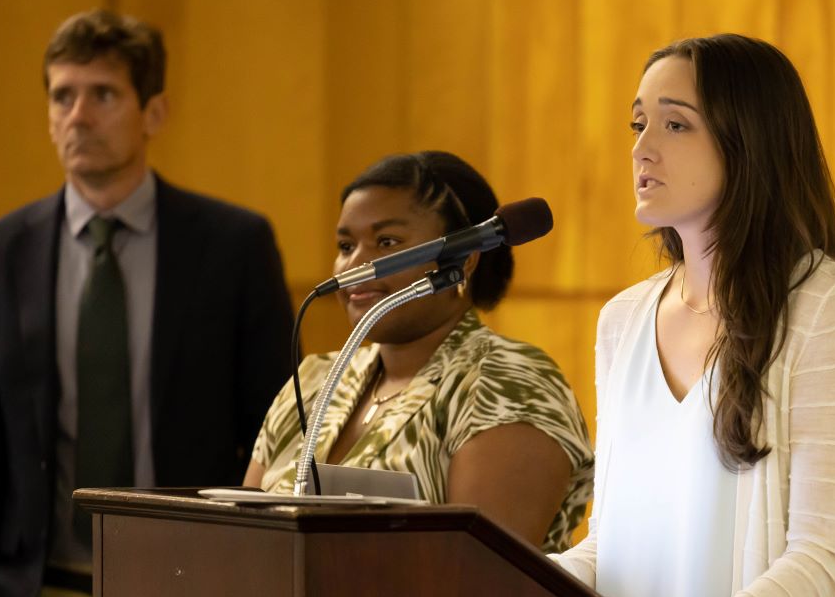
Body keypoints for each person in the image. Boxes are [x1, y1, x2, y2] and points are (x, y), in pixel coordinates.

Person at [550, 34, 835, 597]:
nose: (642, 148)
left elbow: (826, 562)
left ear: (747, 142)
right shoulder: (623, 321)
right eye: (638, 123)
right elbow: (613, 546)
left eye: (675, 123)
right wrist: (523, 581)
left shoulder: (824, 310)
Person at [0, 9, 295, 597]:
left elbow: (278, 429)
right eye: (61, 96)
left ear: (152, 111)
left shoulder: (233, 246)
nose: (78, 115)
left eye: (102, 95)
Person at [246, 151, 593, 553]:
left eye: (387, 242)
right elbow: (240, 540)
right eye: (345, 245)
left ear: (462, 262)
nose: (355, 263)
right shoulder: (314, 379)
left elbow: (479, 577)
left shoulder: (507, 381)